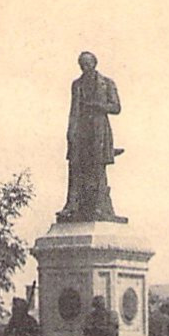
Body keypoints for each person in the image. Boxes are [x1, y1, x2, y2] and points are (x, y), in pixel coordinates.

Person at [60, 51, 123, 222]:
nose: (84, 67)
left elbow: (116, 107)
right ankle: (72, 205)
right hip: (81, 130)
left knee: (97, 168)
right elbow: (73, 111)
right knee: (76, 166)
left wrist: (98, 106)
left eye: (87, 63)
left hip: (99, 131)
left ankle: (99, 206)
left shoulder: (107, 83)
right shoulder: (77, 84)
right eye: (82, 64)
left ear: (95, 63)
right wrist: (70, 132)